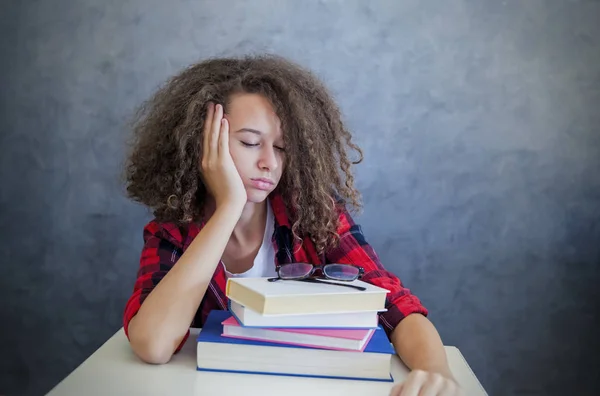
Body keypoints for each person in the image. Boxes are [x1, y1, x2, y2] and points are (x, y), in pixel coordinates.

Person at [122, 54, 462, 396]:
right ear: (203, 144)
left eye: (282, 148)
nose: (269, 162)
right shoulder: (173, 232)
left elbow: (396, 307)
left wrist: (436, 373)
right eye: (250, 143)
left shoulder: (314, 216)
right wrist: (228, 207)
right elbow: (153, 345)